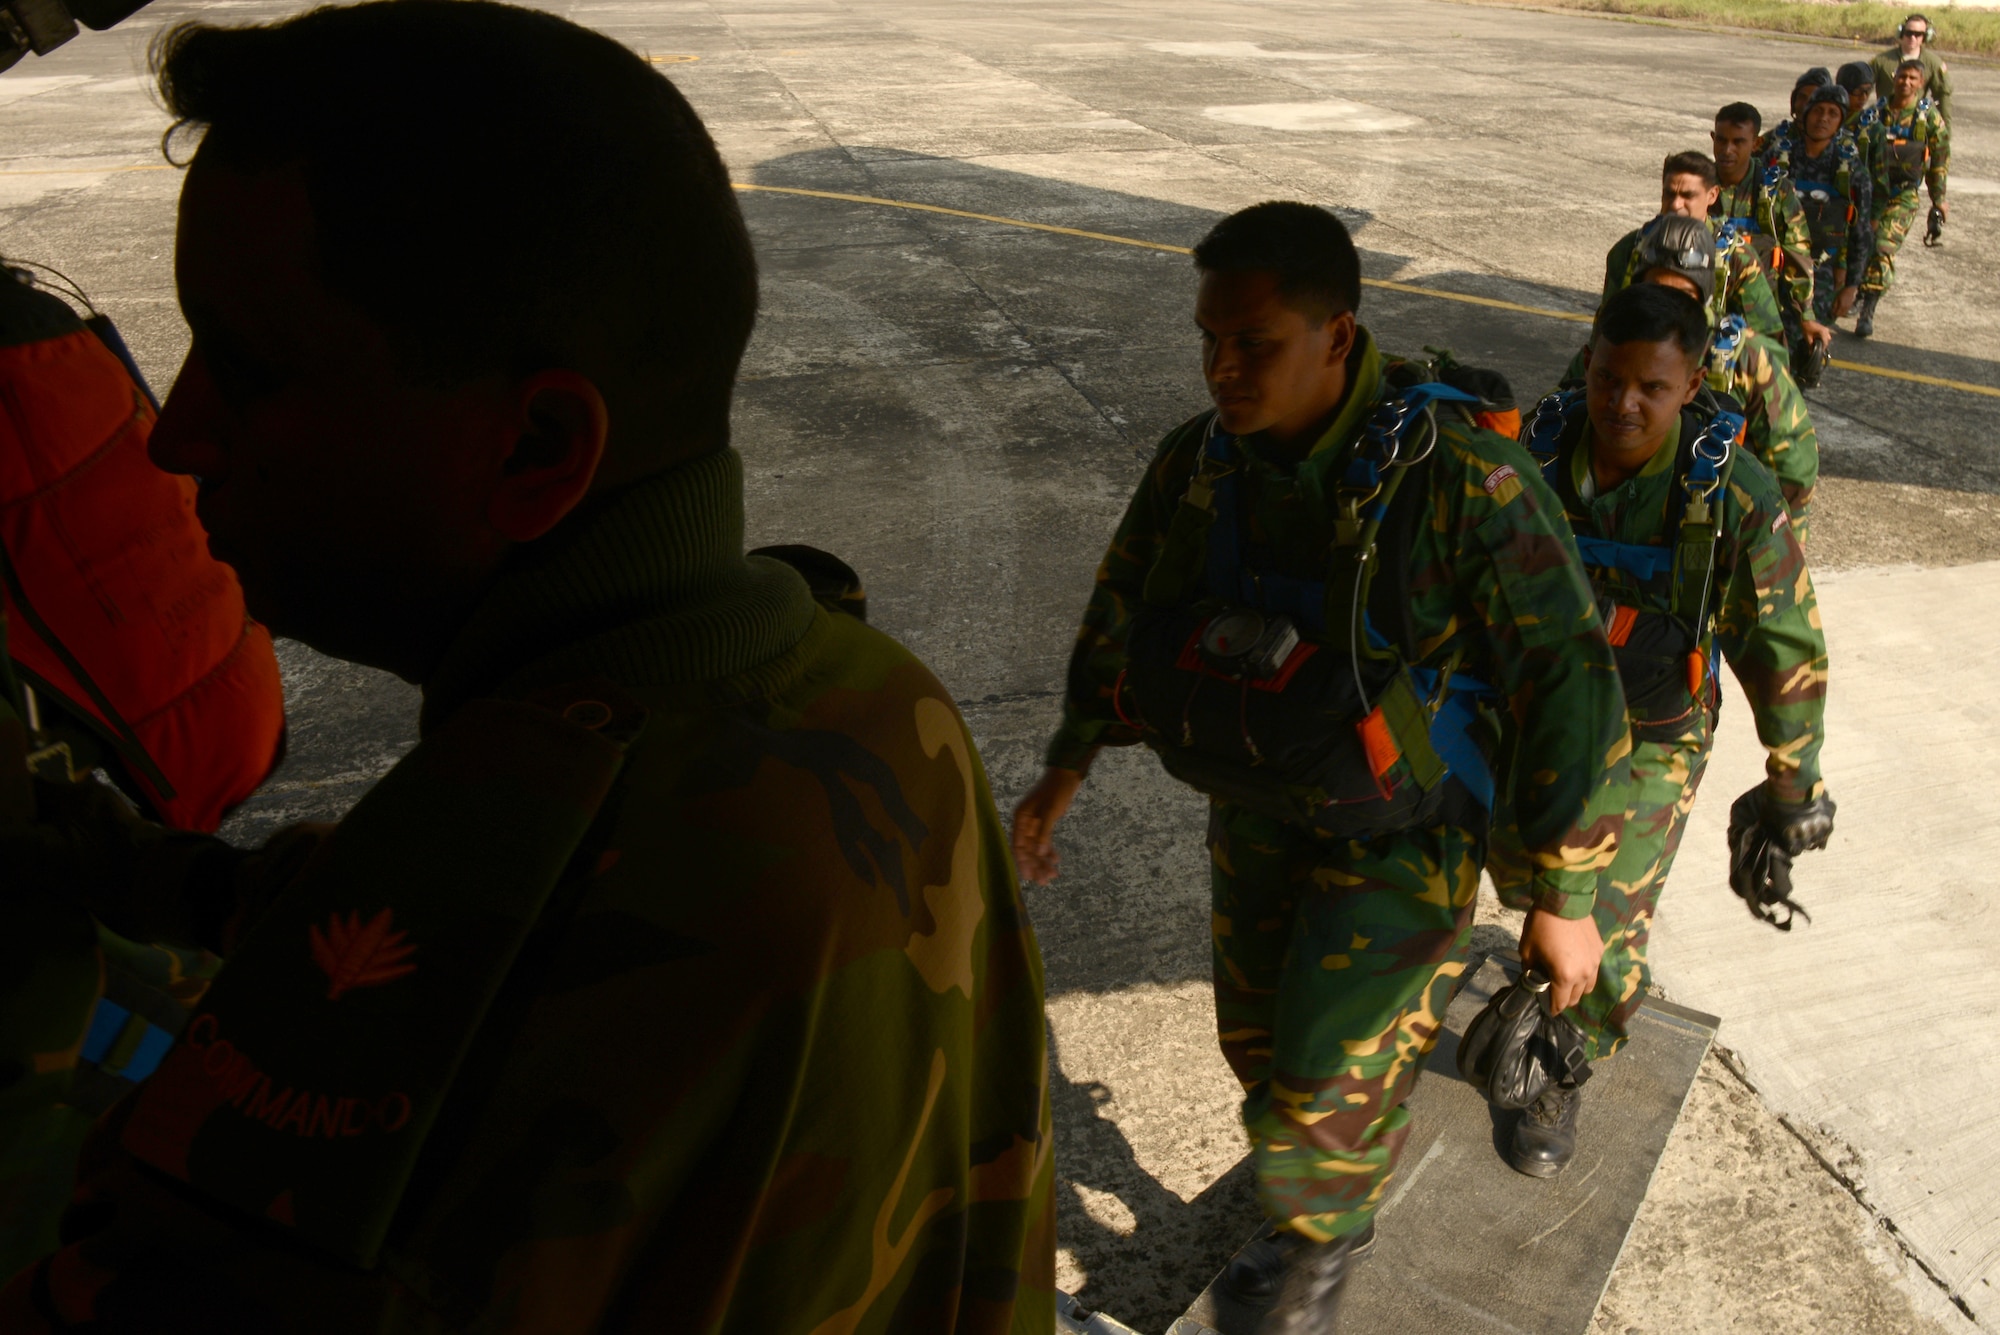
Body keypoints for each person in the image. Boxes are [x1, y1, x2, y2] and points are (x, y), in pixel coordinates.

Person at [0, 3, 1055, 1331]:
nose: (178, 434)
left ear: (539, 447)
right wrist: (119, 862)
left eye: (252, 370)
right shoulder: (868, 691)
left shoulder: (508, 911)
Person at [1011, 201, 1629, 1331]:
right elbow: (1122, 606)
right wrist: (1067, 763)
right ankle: (1324, 1184)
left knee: (1315, 1078)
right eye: (1207, 340)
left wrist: (1564, 897)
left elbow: (1569, 687)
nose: (1222, 370)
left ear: (1336, 336)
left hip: (1403, 830)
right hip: (1258, 805)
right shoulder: (1201, 466)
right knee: (1255, 1046)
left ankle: (1312, 1264)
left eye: (1254, 343)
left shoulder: (1458, 482)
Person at [1489, 284, 1833, 1178]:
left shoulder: (1730, 493)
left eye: (1651, 386)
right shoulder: (1539, 452)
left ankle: (1570, 1058)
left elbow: (1783, 639)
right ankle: (1540, 969)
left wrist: (1794, 782)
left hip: (1653, 731)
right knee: (1519, 873)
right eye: (1608, 378)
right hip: (1538, 708)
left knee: (1606, 909)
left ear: (1688, 388)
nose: (1623, 403)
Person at [1625, 217, 1819, 542]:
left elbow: (1793, 464)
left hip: (1706, 531)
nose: (1668, 307)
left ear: (1704, 296)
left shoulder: (1744, 356)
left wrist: (1782, 546)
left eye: (1683, 294)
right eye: (1656, 289)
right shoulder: (1614, 342)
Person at [1600, 153, 1785, 343]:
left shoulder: (1737, 258)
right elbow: (1604, 328)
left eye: (1688, 196)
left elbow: (1769, 341)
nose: (1676, 204)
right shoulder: (1630, 249)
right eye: (1670, 194)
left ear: (1712, 195)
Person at [1709, 103, 1829, 373]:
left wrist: (1806, 316)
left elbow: (1797, 254)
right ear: (1713, 139)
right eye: (1722, 140)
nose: (1727, 150)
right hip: (1704, 310)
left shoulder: (1775, 192)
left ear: (1756, 143)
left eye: (1738, 142)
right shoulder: (1698, 183)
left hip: (1758, 313)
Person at [1857, 59, 1950, 337]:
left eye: (1912, 78)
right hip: (1872, 193)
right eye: (1902, 77)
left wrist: (1939, 198)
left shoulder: (1928, 117)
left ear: (1921, 83)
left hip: (1903, 195)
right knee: (1863, 244)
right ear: (1894, 77)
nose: (1905, 82)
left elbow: (1940, 159)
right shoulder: (1877, 111)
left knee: (1884, 245)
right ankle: (1859, 289)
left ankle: (1868, 308)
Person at [1774, 86, 1873, 328]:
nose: (1823, 118)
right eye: (1818, 111)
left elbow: (1862, 233)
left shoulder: (1850, 170)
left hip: (1823, 271)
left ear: (1840, 122)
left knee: (1810, 350)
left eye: (1832, 113)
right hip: (1776, 265)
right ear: (1805, 115)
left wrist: (1851, 286)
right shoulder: (1778, 158)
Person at [1871, 12, 1952, 126]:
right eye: (1908, 33)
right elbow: (1862, 88)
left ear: (1925, 36)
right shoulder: (1882, 61)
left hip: (1915, 123)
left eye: (1918, 34)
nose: (1912, 38)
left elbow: (1943, 97)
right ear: (1901, 33)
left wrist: (1945, 131)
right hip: (1884, 121)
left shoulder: (1933, 63)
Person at [1762, 67, 1833, 166]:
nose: (1805, 105)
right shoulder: (1776, 137)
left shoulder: (1842, 147)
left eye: (1813, 100)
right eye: (1802, 97)